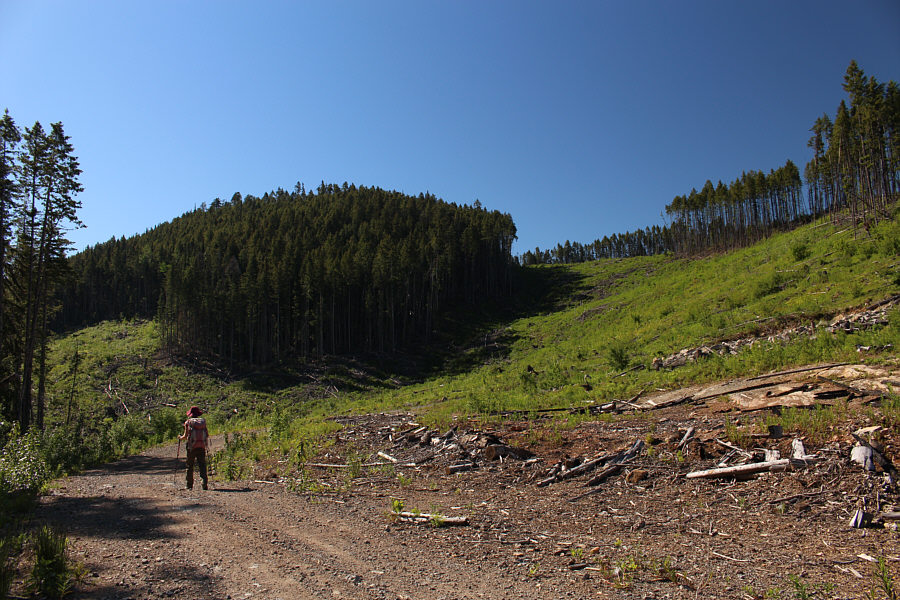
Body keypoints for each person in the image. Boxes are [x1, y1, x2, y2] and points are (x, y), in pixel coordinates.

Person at [179, 406, 209, 490]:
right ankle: (204, 483)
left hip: (191, 447)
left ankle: (189, 485)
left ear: (190, 414)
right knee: (202, 464)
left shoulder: (188, 422)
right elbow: (207, 434)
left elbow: (185, 436)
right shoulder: (203, 422)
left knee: (190, 465)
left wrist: (180, 437)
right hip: (202, 446)